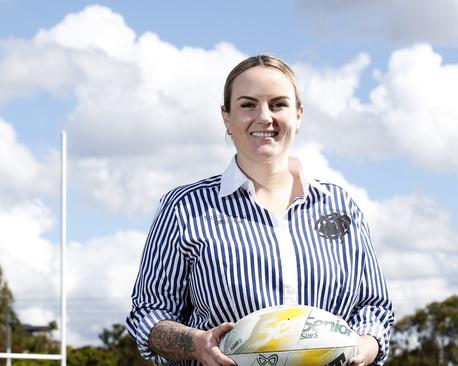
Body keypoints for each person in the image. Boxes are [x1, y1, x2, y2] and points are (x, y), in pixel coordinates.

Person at [126, 54, 394, 366]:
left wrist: (366, 344)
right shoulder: (184, 207)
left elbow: (374, 307)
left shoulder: (340, 205)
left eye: (278, 104)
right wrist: (197, 343)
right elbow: (150, 312)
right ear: (226, 117)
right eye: (248, 104)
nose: (264, 117)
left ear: (298, 115)